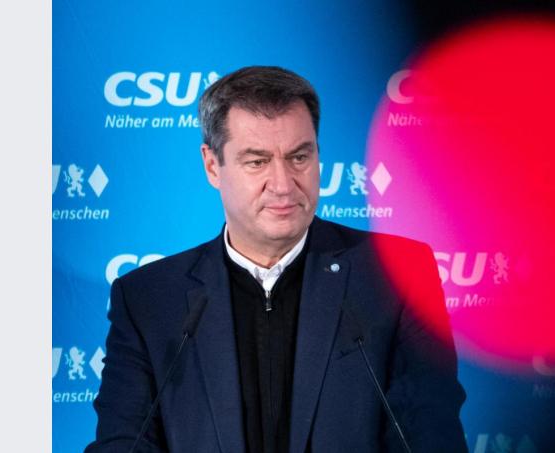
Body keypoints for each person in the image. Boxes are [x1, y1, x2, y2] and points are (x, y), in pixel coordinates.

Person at [86, 66, 468, 453]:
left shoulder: (397, 274)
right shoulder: (148, 299)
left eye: (299, 157)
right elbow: (122, 443)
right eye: (257, 162)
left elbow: (431, 434)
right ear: (213, 166)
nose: (284, 185)